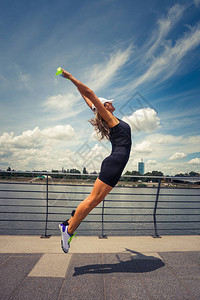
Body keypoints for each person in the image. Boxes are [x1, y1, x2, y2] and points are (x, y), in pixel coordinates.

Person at [59, 69, 132, 253]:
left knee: (94, 200)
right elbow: (91, 94)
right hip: (115, 162)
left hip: (116, 163)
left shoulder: (109, 117)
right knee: (93, 200)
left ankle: (69, 222)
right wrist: (71, 78)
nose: (112, 104)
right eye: (109, 102)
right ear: (105, 106)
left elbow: (89, 100)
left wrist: (77, 89)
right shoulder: (109, 119)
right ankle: (68, 230)